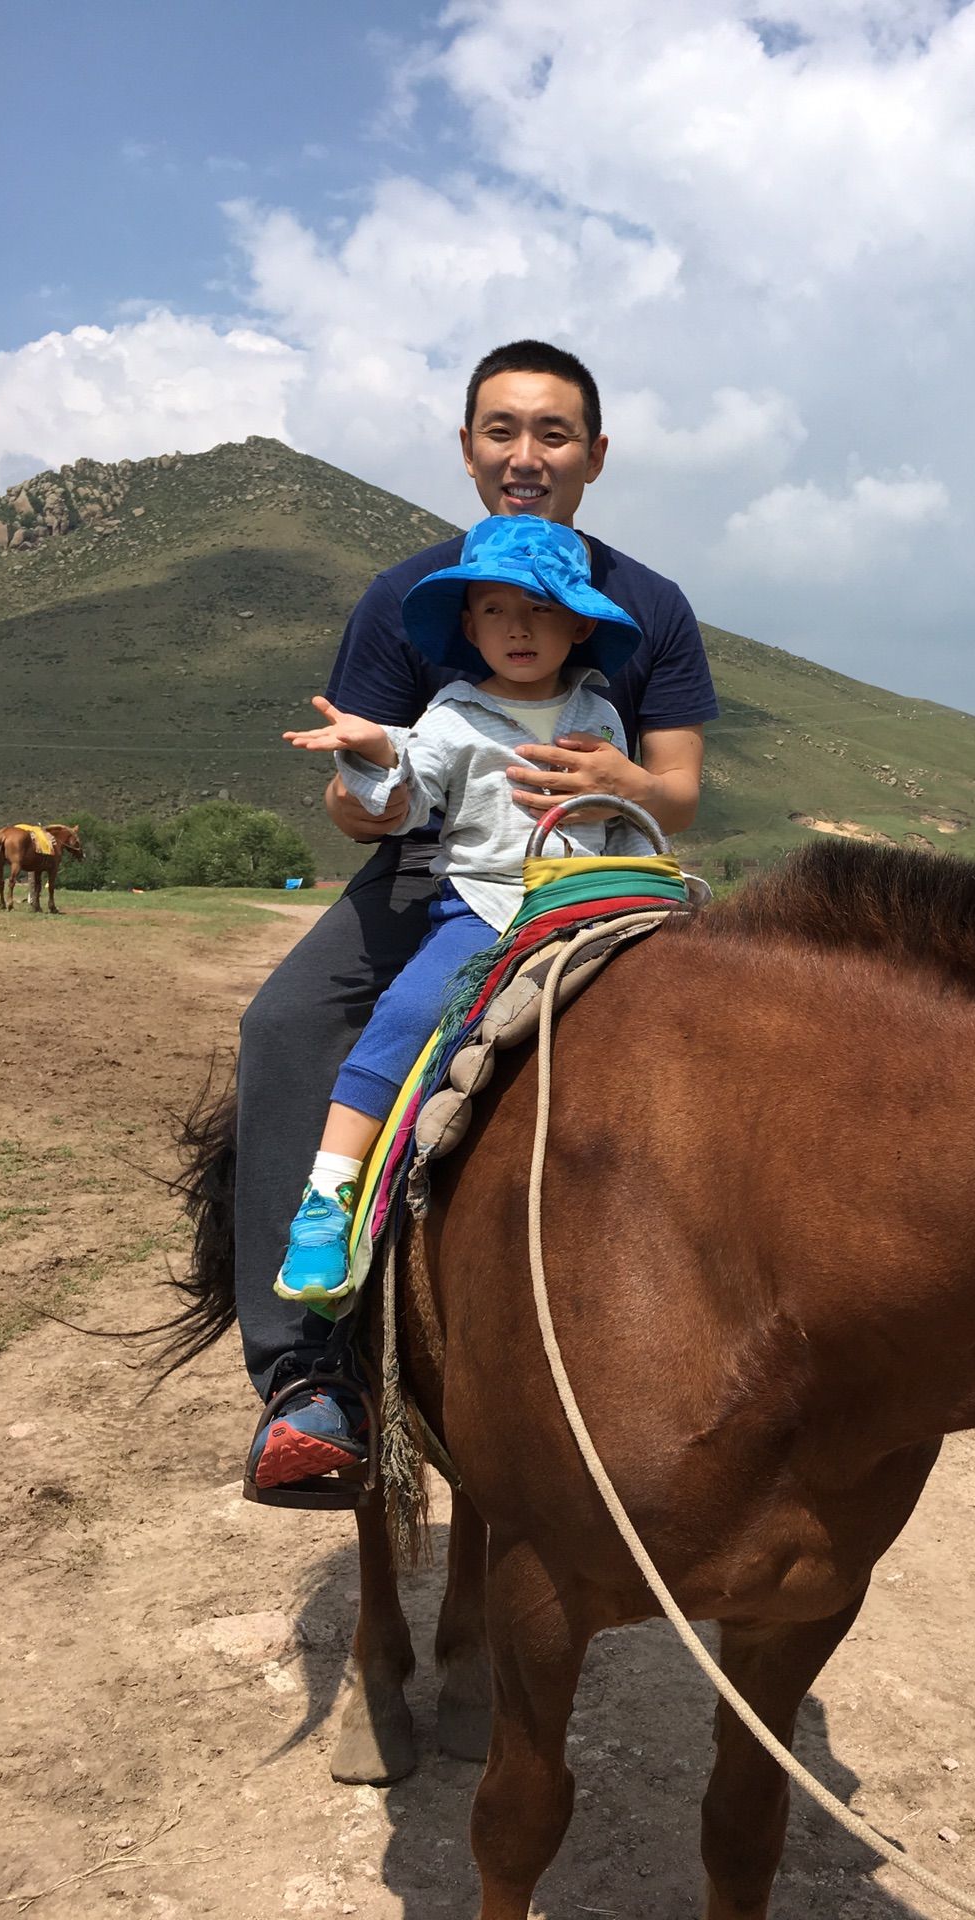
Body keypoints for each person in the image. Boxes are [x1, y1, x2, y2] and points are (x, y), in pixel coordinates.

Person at [239, 340, 717, 1495]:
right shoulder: (409, 600)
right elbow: (363, 810)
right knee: (287, 1028)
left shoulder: (649, 608)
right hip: (434, 883)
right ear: (466, 450)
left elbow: (682, 792)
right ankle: (308, 1378)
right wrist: (374, 776)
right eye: (501, 430)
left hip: (602, 881)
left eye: (553, 433)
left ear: (595, 456)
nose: (525, 454)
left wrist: (620, 783)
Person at [266, 515, 651, 1343]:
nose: (517, 627)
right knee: (403, 1022)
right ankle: (327, 1198)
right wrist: (374, 755)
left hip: (595, 907)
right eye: (494, 610)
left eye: (540, 609)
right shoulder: (454, 713)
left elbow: (620, 821)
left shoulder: (602, 716)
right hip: (486, 911)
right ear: (468, 626)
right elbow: (404, 792)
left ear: (579, 623)